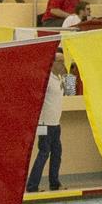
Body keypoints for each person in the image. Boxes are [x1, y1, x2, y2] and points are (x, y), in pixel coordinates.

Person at [26, 49, 66, 192]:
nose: (62, 64)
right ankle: (32, 186)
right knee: (44, 153)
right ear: (52, 62)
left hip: (56, 123)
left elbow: (71, 91)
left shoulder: (61, 78)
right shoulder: (46, 79)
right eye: (60, 61)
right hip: (44, 123)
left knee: (57, 153)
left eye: (63, 61)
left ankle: (54, 183)